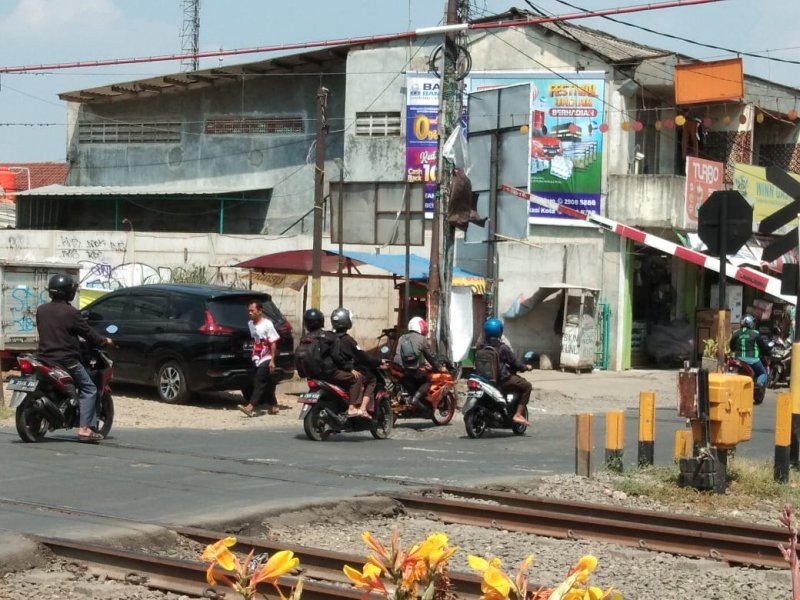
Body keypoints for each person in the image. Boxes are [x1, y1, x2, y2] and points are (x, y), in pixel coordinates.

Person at [36, 273, 112, 442]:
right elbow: (89, 334)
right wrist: (103, 340)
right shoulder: (71, 313)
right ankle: (85, 429)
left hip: (44, 358)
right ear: (69, 292)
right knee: (89, 389)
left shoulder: (41, 310)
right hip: (66, 361)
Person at [301, 308, 364, 417]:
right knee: (356, 378)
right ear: (322, 321)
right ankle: (352, 408)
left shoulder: (305, 338)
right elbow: (337, 357)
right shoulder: (329, 336)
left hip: (312, 374)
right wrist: (349, 368)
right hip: (329, 373)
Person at [330, 307, 382, 418]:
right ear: (347, 322)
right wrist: (378, 361)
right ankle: (361, 408)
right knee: (371, 378)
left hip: (334, 370)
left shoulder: (330, 338)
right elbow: (361, 356)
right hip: (344, 370)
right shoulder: (348, 340)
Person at [480, 317, 533, 426]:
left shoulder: (481, 346)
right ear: (500, 332)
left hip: (484, 378)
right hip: (502, 379)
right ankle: (518, 414)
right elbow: (516, 363)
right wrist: (526, 367)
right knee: (527, 386)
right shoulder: (503, 348)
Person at [393, 316, 445, 411]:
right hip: (411, 370)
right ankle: (416, 399)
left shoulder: (402, 337)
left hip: (398, 369)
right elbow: (430, 356)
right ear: (419, 327)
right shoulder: (422, 339)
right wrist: (439, 367)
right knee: (428, 380)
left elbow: (397, 354)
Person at [239, 301, 280, 417]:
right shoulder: (250, 324)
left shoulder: (268, 324)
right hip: (257, 355)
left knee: (259, 381)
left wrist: (272, 360)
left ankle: (250, 406)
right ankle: (274, 405)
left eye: (253, 310)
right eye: (249, 311)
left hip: (266, 356)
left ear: (260, 311)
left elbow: (273, 343)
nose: (250, 313)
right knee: (266, 382)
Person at [730, 314, 770, 389]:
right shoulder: (756, 334)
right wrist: (768, 353)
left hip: (738, 360)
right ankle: (758, 385)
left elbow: (732, 347)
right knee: (763, 373)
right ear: (750, 323)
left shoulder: (735, 333)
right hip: (753, 361)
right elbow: (763, 348)